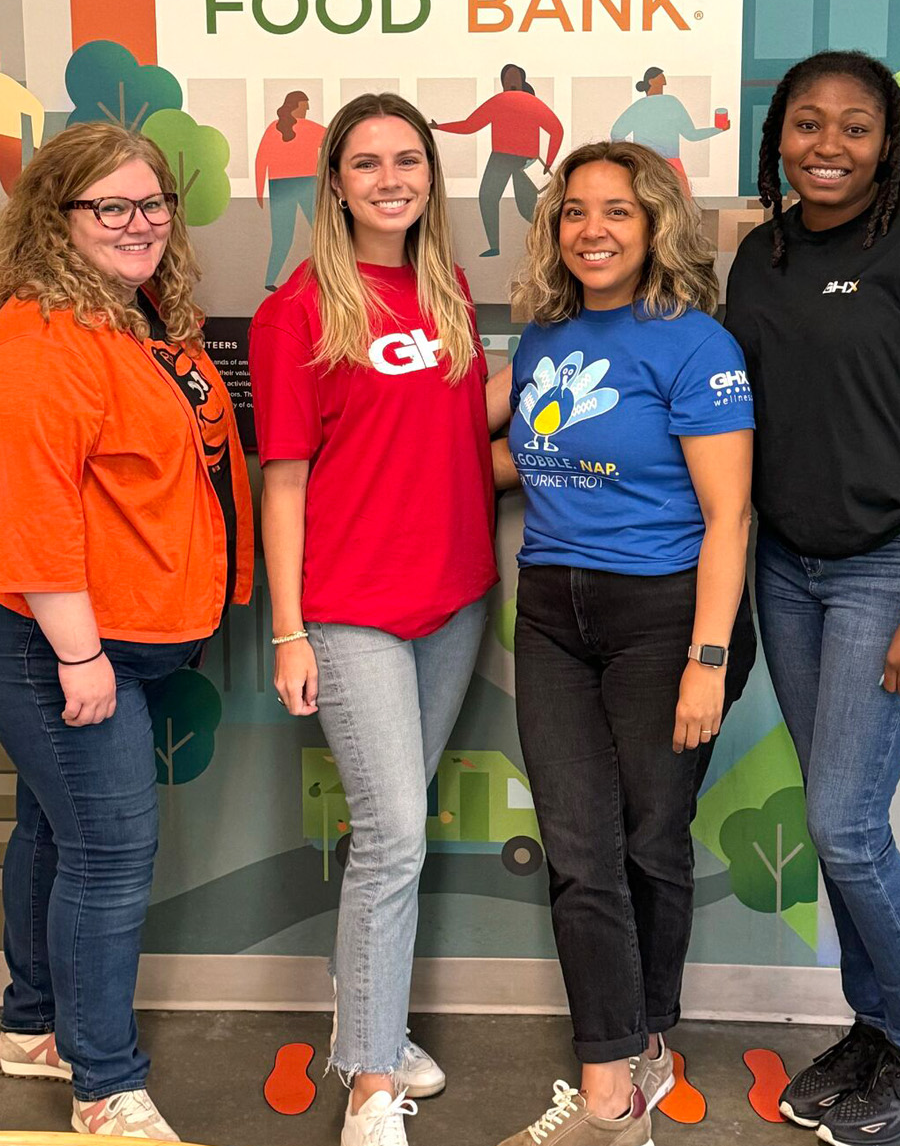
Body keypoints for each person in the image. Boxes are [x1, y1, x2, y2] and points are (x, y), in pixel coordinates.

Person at [249, 92, 506, 1146]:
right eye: (368, 162)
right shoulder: (298, 310)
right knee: (397, 834)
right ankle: (367, 1080)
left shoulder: (445, 286)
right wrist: (289, 628)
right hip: (350, 607)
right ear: (337, 182)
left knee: (390, 833)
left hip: (454, 596)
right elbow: (284, 483)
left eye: (409, 158)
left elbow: (448, 426)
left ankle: (375, 1021)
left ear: (428, 178)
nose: (391, 177)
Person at [493, 140, 756, 1146]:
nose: (592, 229)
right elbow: (520, 452)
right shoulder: (545, 333)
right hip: (555, 611)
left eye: (617, 211)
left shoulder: (696, 346)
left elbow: (728, 515)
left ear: (653, 227)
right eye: (574, 211)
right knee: (579, 848)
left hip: (666, 615)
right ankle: (610, 1095)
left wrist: (707, 656)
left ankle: (642, 1038)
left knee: (651, 843)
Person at [0, 123, 253, 1140]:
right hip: (63, 644)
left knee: (57, 832)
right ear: (56, 219)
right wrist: (78, 652)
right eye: (111, 206)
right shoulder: (42, 335)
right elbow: (32, 508)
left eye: (151, 202)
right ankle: (105, 1082)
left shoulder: (135, 320)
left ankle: (30, 1023)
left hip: (133, 636)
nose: (140, 222)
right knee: (110, 853)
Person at [725, 49, 900, 1146]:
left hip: (885, 561)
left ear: (889, 143)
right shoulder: (760, 253)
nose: (827, 145)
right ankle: (876, 1027)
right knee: (841, 821)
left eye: (855, 127)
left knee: (841, 822)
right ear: (776, 133)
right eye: (806, 124)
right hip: (785, 568)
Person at [432, 63, 563, 256]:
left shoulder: (530, 103)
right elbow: (470, 125)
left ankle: (554, 242)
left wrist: (549, 162)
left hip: (525, 161)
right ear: (502, 83)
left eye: (513, 78)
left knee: (526, 209)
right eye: (507, 78)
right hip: (501, 158)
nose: (510, 82)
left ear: (521, 81)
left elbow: (556, 130)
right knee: (487, 197)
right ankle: (494, 247)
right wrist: (440, 127)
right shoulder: (501, 102)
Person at [611, 67, 729, 194]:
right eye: (661, 78)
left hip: (646, 166)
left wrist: (632, 157)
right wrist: (718, 129)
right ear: (651, 81)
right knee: (679, 205)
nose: (664, 82)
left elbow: (616, 134)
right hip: (669, 165)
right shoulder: (671, 102)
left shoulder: (638, 106)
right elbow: (692, 135)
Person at [255, 89, 328, 290]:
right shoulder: (307, 128)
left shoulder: (277, 127)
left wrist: (260, 189)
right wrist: (258, 190)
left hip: (286, 185)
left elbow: (260, 159)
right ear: (296, 106)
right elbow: (262, 158)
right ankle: (270, 280)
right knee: (316, 233)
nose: (308, 109)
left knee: (291, 236)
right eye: (305, 105)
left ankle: (271, 280)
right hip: (301, 184)